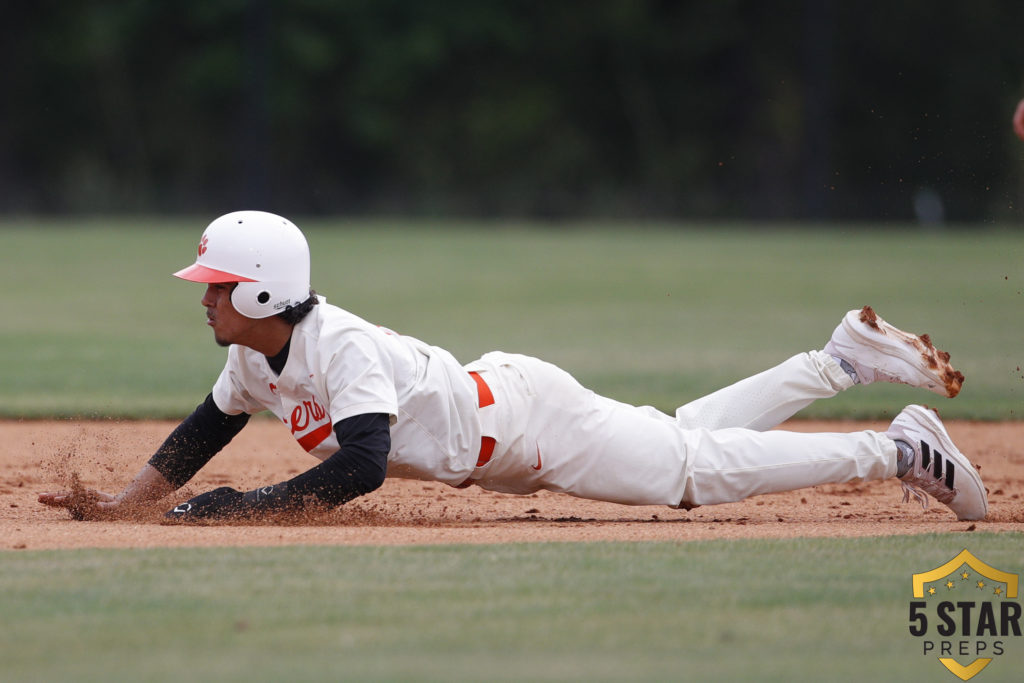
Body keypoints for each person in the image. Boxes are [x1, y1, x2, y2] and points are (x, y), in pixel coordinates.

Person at [39, 211, 988, 522]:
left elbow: (364, 460)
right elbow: (203, 431)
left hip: (533, 429)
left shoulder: (341, 348)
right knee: (677, 437)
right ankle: (835, 361)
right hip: (510, 405)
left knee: (689, 472)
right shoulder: (257, 361)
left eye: (213, 285)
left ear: (256, 296)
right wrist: (131, 505)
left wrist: (252, 509)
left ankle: (892, 449)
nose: (200, 297)